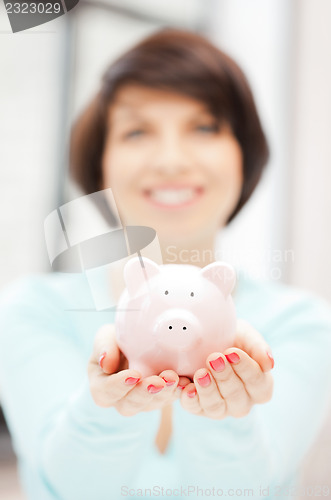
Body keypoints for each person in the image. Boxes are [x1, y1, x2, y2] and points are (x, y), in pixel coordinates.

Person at [0, 28, 331, 500]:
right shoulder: (33, 310)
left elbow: (247, 490)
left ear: (245, 157)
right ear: (101, 165)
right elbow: (71, 487)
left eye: (204, 127)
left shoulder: (302, 323)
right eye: (137, 131)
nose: (172, 160)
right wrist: (110, 405)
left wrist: (219, 412)